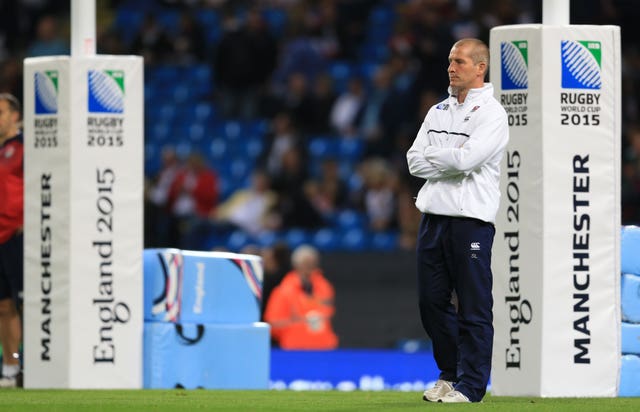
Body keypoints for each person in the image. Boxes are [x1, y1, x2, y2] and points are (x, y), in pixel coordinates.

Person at [406, 38, 508, 403]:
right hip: (433, 218)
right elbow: (413, 161)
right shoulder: (438, 110)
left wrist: (441, 157)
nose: (451, 68)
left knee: (474, 305)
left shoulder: (493, 114)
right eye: (450, 61)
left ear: (480, 67)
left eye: (460, 62)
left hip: (470, 221)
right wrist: (453, 156)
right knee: (430, 303)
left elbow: (470, 161)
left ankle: (472, 386)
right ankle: (450, 375)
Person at [263, 245, 338, 350]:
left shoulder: (324, 287)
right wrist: (298, 325)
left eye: (312, 264)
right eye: (305, 264)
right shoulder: (284, 291)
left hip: (324, 347)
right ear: (297, 265)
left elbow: (328, 313)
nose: (309, 268)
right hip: (295, 348)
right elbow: (273, 323)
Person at [0, 93, 23, 388]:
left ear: (15, 115)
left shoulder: (25, 147)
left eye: (1, 111)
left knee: (22, 302)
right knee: (3, 305)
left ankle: (26, 363)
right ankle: (9, 363)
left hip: (16, 235)